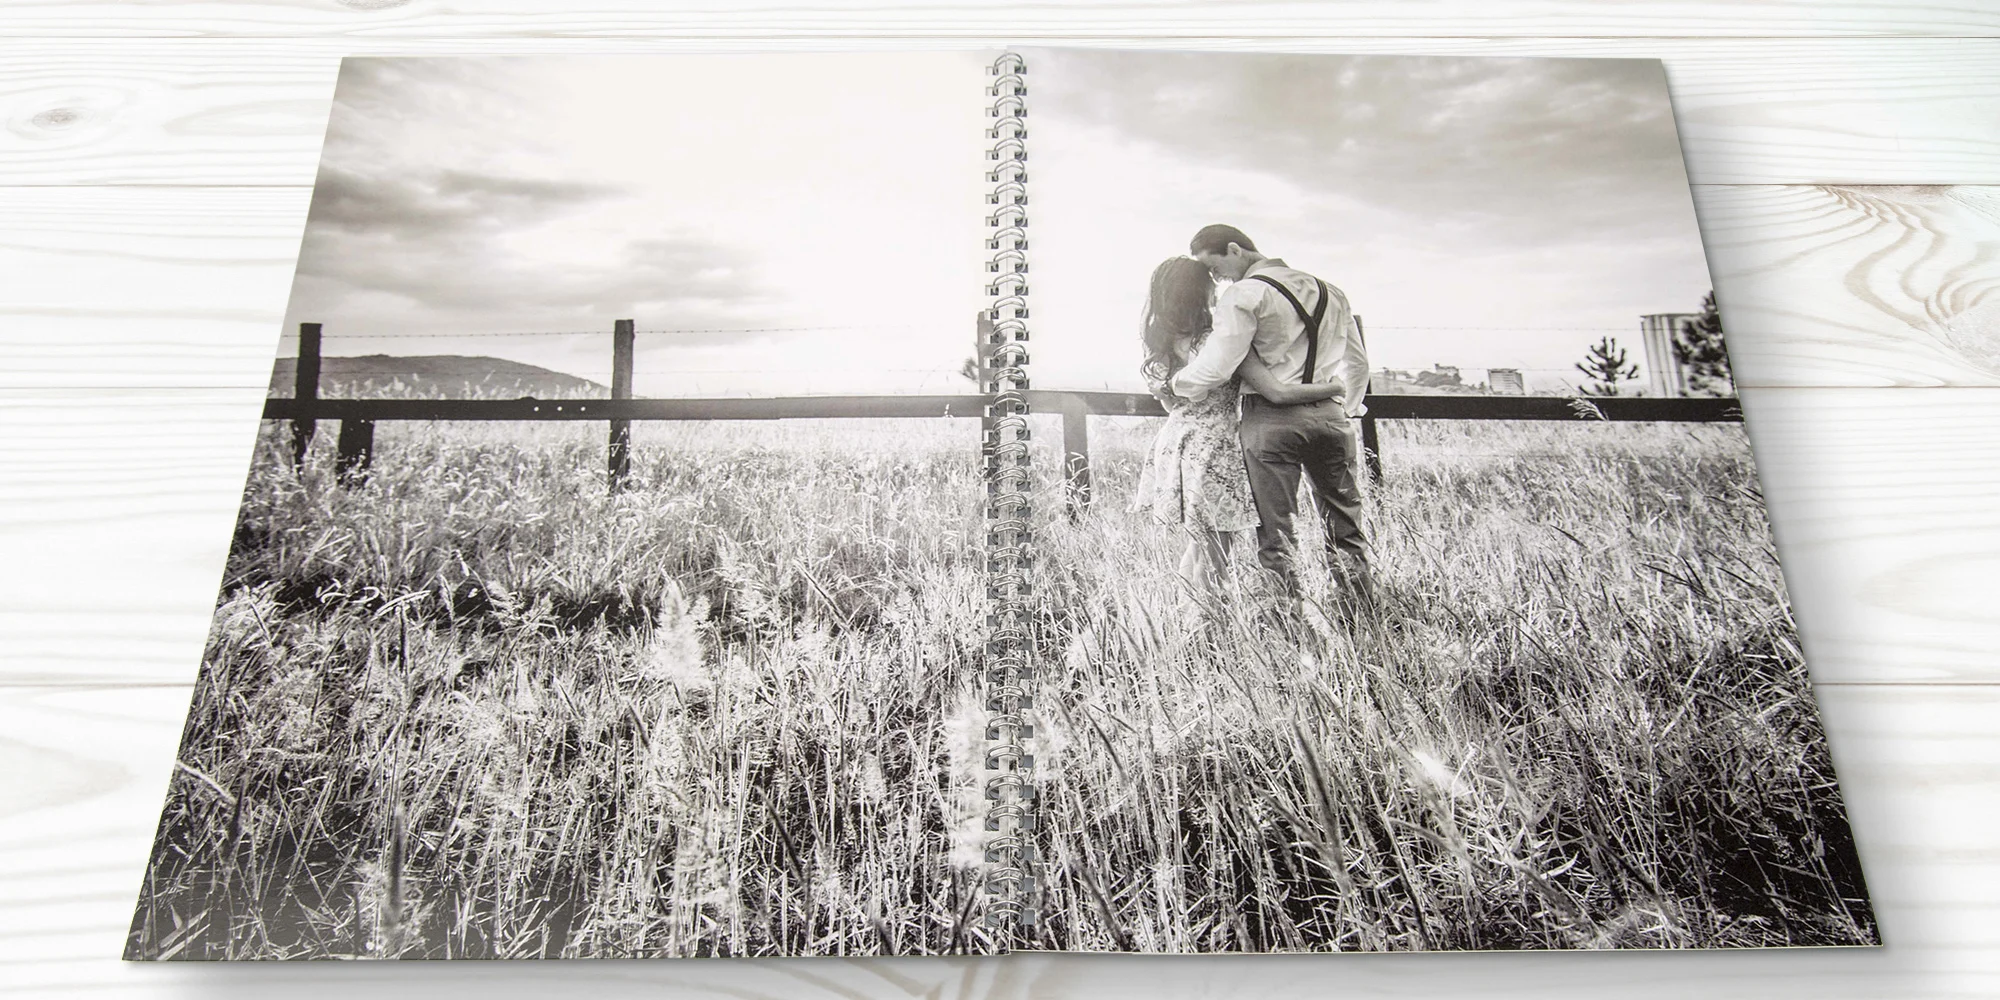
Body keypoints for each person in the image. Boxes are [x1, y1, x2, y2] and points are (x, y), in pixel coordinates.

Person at [1170, 224, 1373, 605]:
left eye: (1215, 268)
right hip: (1332, 418)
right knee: (1346, 526)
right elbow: (1358, 366)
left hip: (1271, 422)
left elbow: (1218, 366)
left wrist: (1178, 385)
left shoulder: (1244, 294)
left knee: (1278, 533)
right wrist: (1345, 409)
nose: (1217, 278)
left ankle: (1288, 620)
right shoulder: (1333, 291)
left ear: (1234, 249)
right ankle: (1358, 612)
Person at [1134, 256, 1346, 597]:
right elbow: (1276, 391)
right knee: (1216, 549)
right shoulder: (1217, 342)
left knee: (1200, 544)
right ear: (1201, 293)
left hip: (1177, 441)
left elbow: (1171, 403)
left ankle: (1187, 616)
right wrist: (1335, 387)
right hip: (1216, 447)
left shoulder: (1161, 343)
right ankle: (1200, 625)